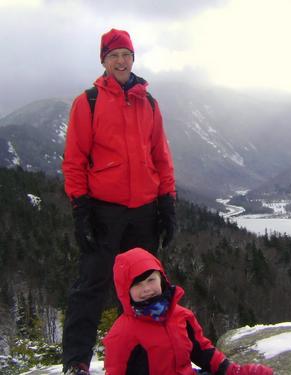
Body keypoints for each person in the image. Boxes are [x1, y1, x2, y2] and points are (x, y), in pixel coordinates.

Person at [61, 28, 176, 375]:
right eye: (114, 56)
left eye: (126, 55)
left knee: (146, 288)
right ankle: (77, 362)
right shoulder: (88, 102)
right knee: (91, 286)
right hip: (103, 211)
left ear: (133, 58)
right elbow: (74, 160)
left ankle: (146, 359)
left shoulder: (149, 102)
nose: (121, 61)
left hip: (143, 212)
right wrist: (81, 210)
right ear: (104, 62)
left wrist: (167, 205)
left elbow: (161, 157)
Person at [104, 247, 274, 375]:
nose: (147, 288)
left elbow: (202, 352)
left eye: (151, 280)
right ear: (125, 291)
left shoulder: (181, 316)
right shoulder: (122, 334)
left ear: (162, 279)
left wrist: (231, 371)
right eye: (138, 284)